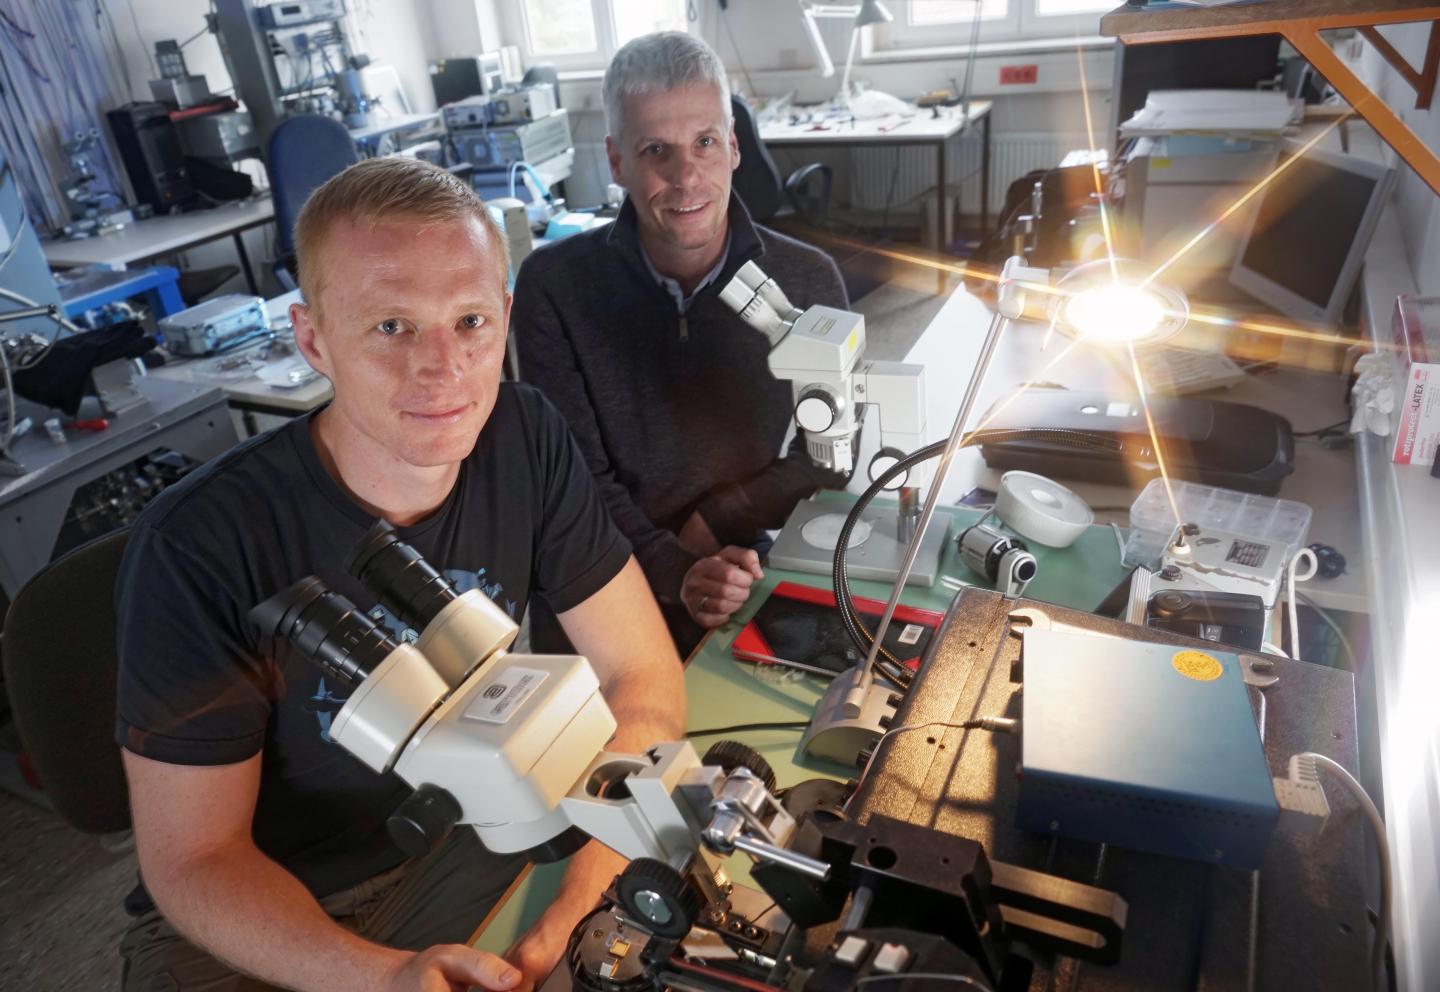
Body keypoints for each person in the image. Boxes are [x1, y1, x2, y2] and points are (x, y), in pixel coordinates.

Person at [114, 157, 686, 992]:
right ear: (313, 339)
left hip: (468, 841)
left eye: (469, 322)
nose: (442, 367)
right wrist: (380, 978)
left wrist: (585, 897)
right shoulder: (197, 543)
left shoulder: (522, 433)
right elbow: (194, 859)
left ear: (506, 319)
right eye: (391, 326)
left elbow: (640, 673)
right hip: (252, 911)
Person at [513, 31, 849, 656]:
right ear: (616, 161)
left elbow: (827, 456)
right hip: (597, 570)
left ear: (734, 148)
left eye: (704, 143)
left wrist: (718, 521)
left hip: (735, 559)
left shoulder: (807, 280)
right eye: (655, 150)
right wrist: (674, 569)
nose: (686, 176)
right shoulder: (553, 286)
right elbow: (571, 477)